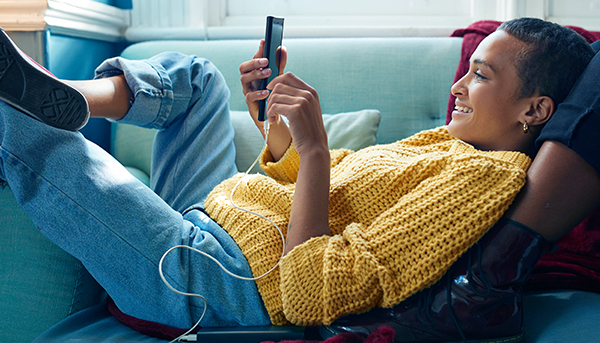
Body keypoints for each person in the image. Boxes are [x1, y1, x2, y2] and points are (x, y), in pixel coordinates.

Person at [0, 17, 596, 343]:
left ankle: (39, 109)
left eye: (481, 76)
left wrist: (315, 151)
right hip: (218, 221)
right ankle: (71, 97)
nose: (458, 87)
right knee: (200, 77)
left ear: (535, 111)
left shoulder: (486, 177)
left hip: (214, 281)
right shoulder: (450, 143)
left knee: (23, 130)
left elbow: (311, 292)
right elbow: (311, 193)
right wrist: (279, 132)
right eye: (466, 71)